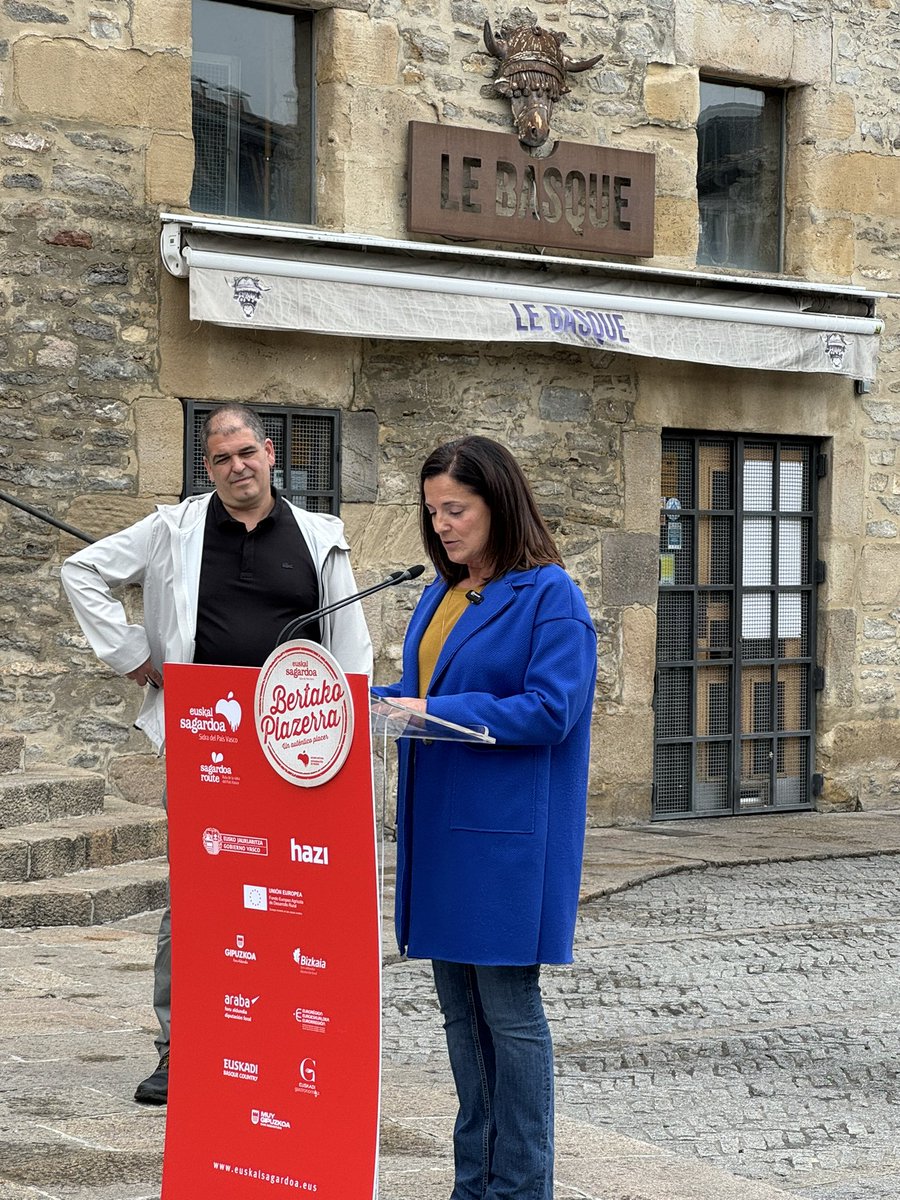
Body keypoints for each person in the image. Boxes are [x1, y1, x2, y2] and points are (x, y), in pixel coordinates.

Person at [60, 403, 372, 1106]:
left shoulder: (319, 537)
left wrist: (346, 740)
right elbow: (82, 571)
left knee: (297, 896)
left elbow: (349, 645)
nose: (237, 468)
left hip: (297, 740)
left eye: (246, 453)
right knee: (198, 898)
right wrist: (133, 655)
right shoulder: (174, 528)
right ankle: (181, 1049)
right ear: (208, 467)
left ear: (269, 453)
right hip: (208, 741)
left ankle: (289, 1043)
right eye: (222, 458)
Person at [374, 435, 596, 1200]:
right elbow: (421, 689)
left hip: (504, 842)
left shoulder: (550, 595)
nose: (441, 525)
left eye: (456, 509)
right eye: (433, 510)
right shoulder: (440, 594)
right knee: (459, 1020)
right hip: (439, 834)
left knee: (508, 1013)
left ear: (499, 504)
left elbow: (552, 709)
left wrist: (433, 711)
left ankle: (521, 1186)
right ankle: (475, 1184)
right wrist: (362, 699)